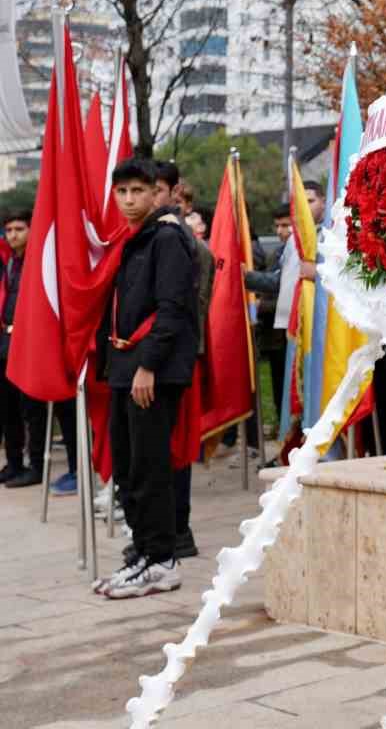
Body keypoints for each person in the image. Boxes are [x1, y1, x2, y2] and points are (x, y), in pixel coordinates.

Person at [93, 158, 200, 599]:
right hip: (124, 367)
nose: (130, 199)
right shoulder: (134, 239)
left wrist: (148, 365)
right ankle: (142, 551)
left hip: (149, 372)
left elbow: (172, 308)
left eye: (139, 191)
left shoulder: (169, 238)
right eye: (123, 192)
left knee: (151, 467)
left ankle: (162, 560)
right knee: (129, 466)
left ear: (159, 192)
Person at [152, 160, 206, 558]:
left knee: (176, 447)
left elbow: (191, 303)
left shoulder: (180, 238)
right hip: (171, 355)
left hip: (178, 356)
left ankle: (178, 530)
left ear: (172, 193)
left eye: (153, 190)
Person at [0, 210, 48, 487]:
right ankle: (15, 462)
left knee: (31, 409)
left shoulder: (36, 261)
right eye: (9, 230)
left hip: (29, 343)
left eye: (19, 229)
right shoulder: (9, 262)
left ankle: (36, 466)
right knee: (7, 409)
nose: (13, 235)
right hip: (6, 344)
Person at [244, 206, 294, 445]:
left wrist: (247, 277)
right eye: (278, 226)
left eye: (286, 225)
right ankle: (285, 439)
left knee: (292, 391)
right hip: (274, 335)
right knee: (279, 392)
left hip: (291, 330)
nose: (281, 231)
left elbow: (280, 284)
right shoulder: (279, 253)